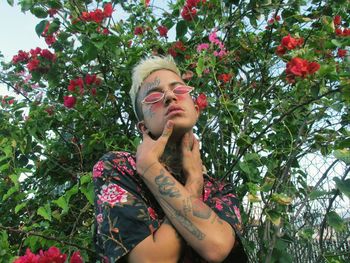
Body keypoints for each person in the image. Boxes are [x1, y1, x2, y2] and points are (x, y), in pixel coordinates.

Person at [93, 56, 248, 262]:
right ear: (143, 127)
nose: (169, 96)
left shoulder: (219, 189)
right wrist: (151, 169)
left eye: (179, 90)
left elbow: (217, 247)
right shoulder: (119, 168)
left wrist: (190, 178)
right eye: (153, 97)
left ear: (196, 109)